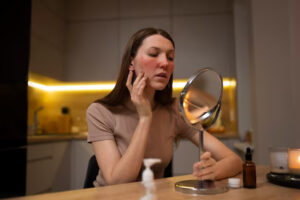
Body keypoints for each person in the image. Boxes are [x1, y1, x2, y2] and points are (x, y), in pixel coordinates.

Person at [86, 27, 242, 187]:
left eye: (171, 57)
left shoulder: (175, 110)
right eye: (153, 54)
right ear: (131, 60)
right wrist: (145, 118)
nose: (165, 63)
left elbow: (234, 161)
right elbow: (117, 181)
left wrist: (213, 171)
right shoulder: (100, 112)